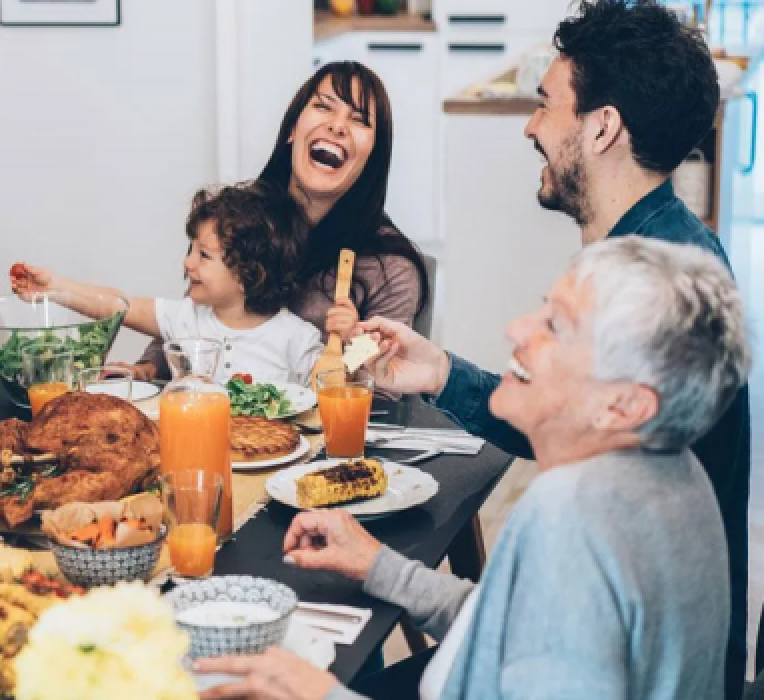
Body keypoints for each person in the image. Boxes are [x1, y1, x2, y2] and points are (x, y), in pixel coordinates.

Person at [360, 2, 750, 694]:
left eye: (546, 104)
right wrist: (440, 371)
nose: (532, 126)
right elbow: (578, 421)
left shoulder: (645, 292)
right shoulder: (653, 252)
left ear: (602, 127)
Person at [198, 236, 747, 700]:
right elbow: (511, 625)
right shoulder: (673, 475)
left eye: (557, 327)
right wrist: (378, 566)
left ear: (626, 405)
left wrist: (321, 694)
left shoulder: (574, 515)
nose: (518, 329)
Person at [134, 61, 430, 380]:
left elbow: (382, 394)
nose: (337, 126)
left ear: (373, 157)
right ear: (293, 129)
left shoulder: (390, 270)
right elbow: (196, 313)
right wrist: (149, 367)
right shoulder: (246, 216)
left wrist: (355, 345)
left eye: (359, 120)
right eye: (322, 106)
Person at [12, 182, 322, 385]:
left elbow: (336, 395)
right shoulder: (186, 317)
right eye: (191, 249)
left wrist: (355, 345)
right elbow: (115, 305)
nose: (188, 263)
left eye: (204, 255)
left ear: (249, 276)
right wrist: (53, 287)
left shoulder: (296, 338)